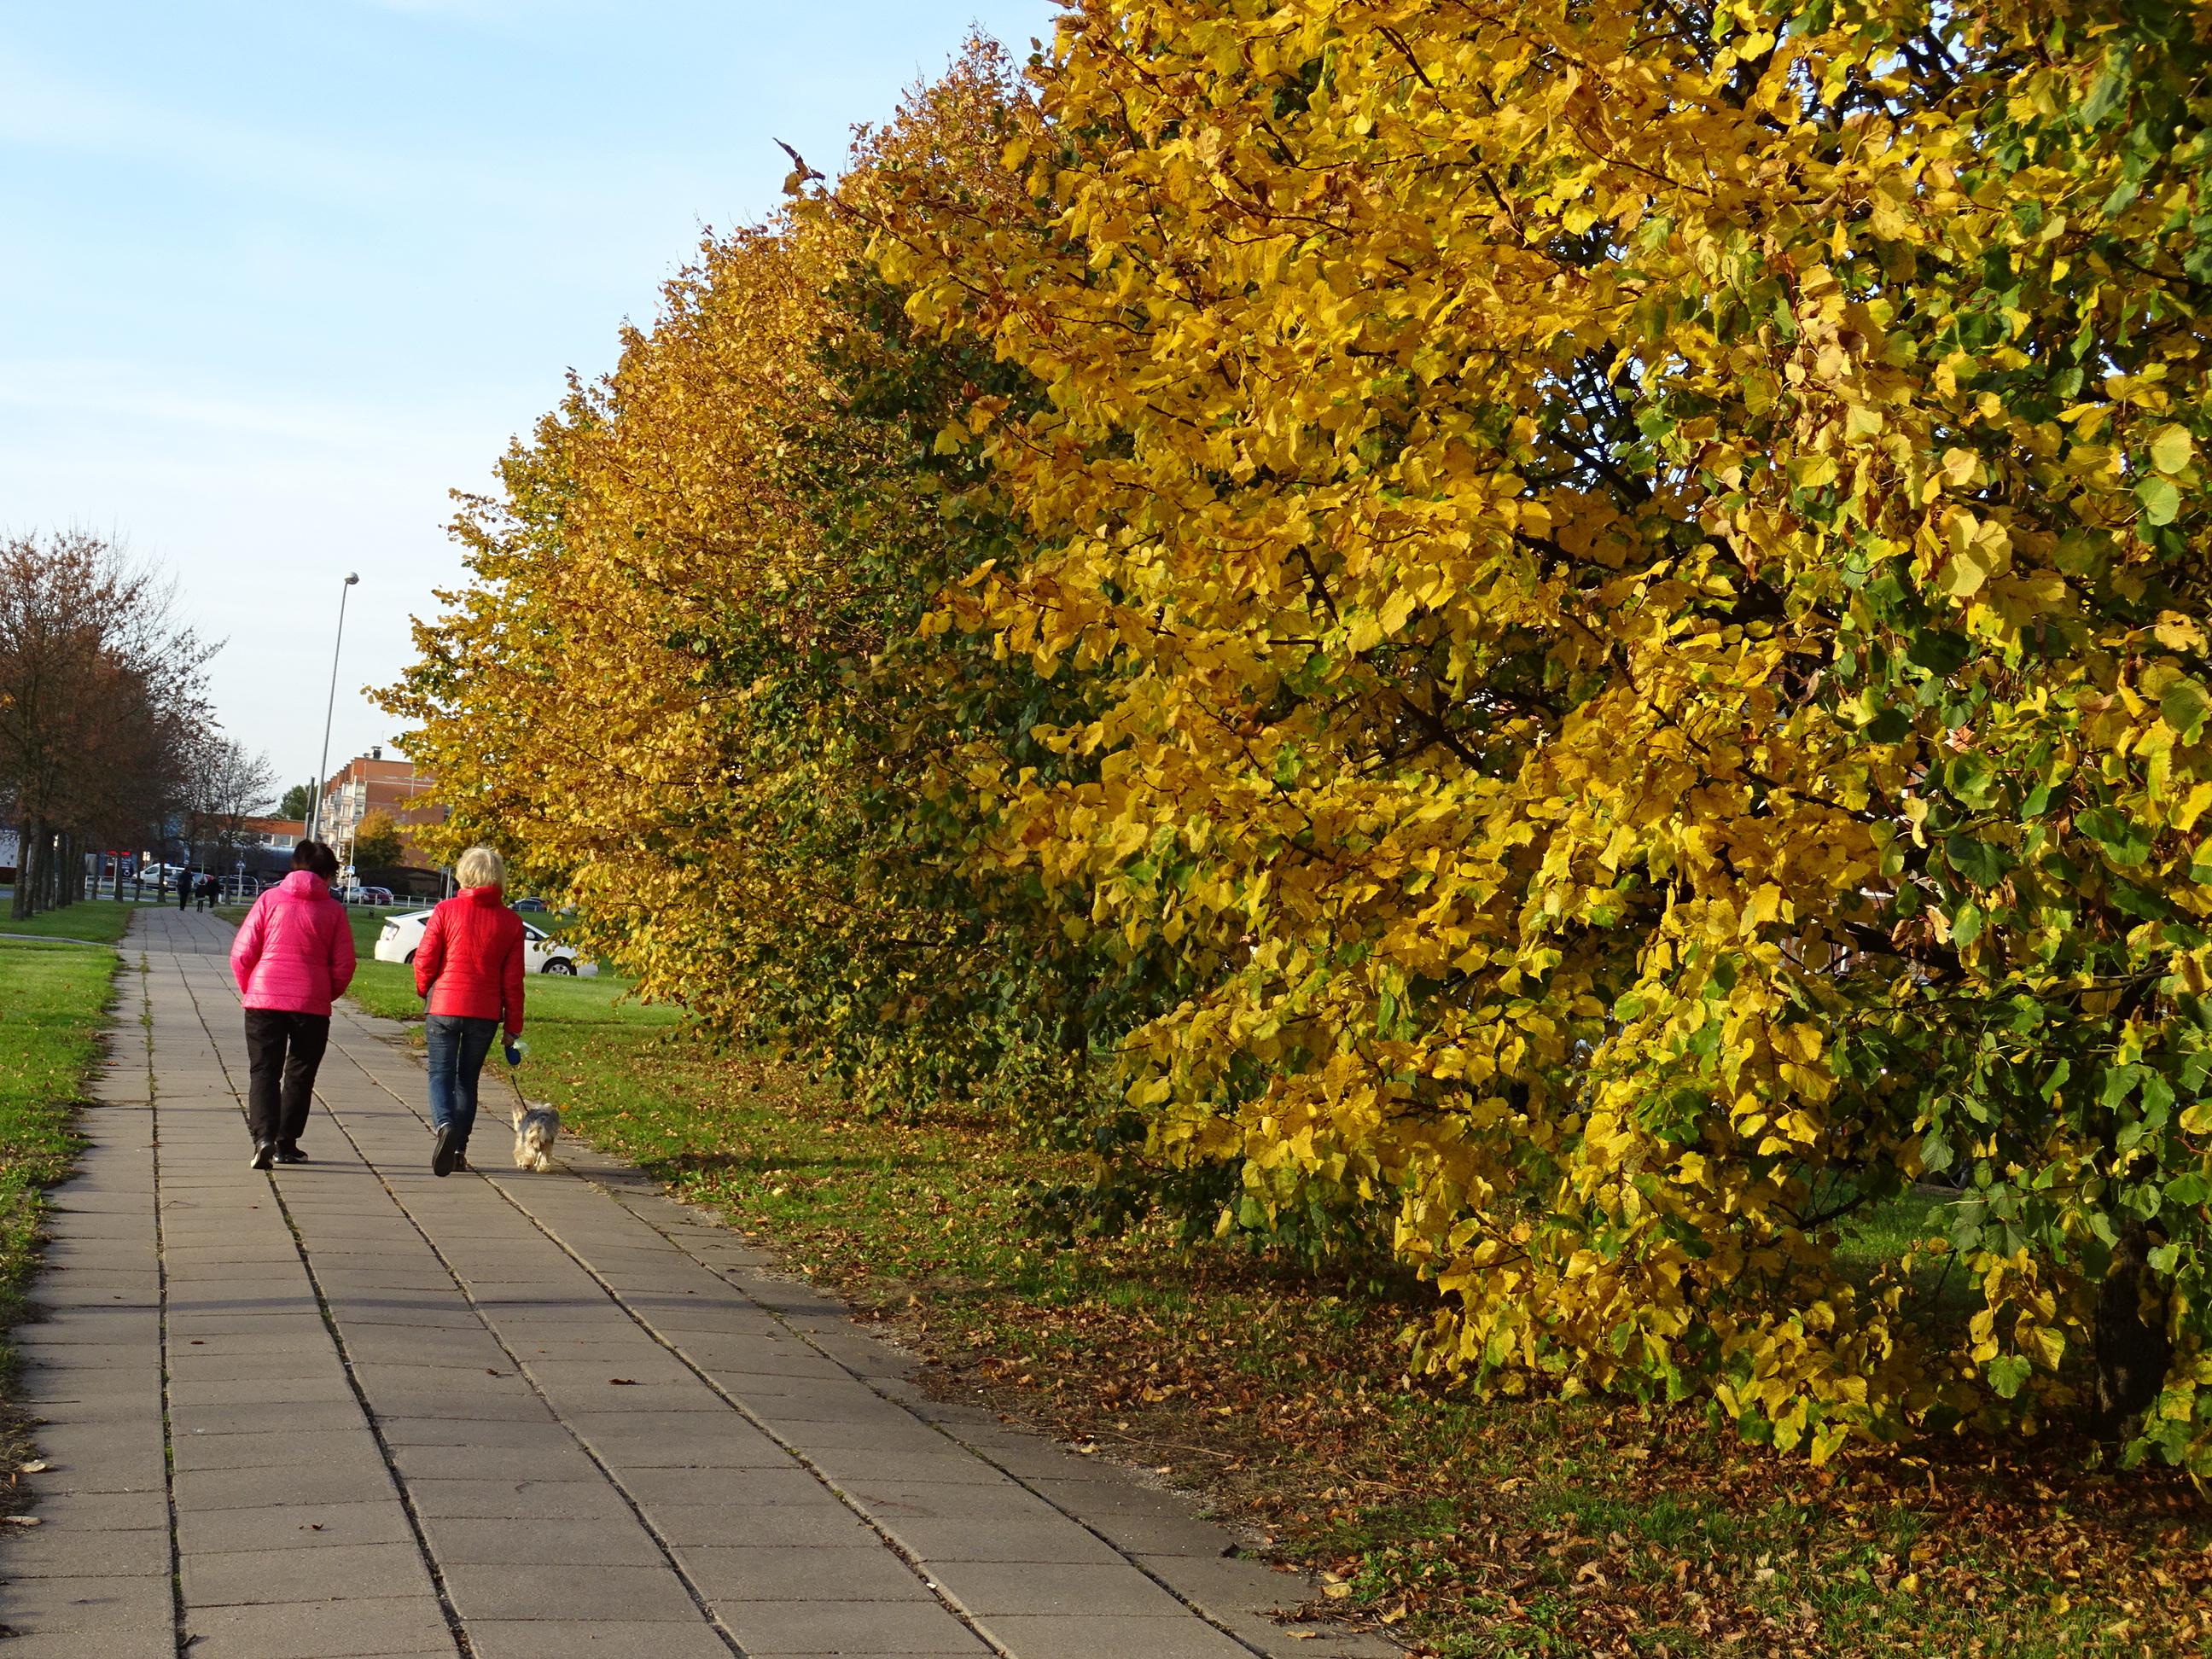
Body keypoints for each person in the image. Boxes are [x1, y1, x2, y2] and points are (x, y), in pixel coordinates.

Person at [229, 841, 355, 1170]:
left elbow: (242, 954)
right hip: (311, 1003)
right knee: (300, 1073)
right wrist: (324, 994)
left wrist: (253, 989)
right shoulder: (333, 911)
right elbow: (344, 965)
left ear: (293, 867)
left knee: (263, 1071)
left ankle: (263, 1137)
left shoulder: (269, 900)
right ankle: (286, 1142)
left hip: (264, 999)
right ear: (327, 875)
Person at [414, 845, 525, 1177]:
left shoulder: (446, 910)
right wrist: (513, 1027)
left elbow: (425, 958)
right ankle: (459, 1149)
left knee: (439, 1074)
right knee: (468, 1079)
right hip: (485, 1012)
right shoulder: (511, 921)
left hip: (445, 1006)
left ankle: (444, 1125)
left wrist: (424, 989)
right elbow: (513, 981)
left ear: (464, 874)